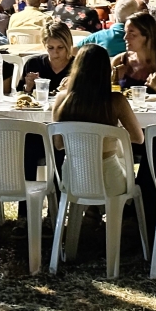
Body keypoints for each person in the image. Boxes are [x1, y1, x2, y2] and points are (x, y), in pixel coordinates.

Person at [51, 43, 144, 196]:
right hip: (108, 179)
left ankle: (91, 212)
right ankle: (116, 215)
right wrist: (112, 136)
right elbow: (138, 138)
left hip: (73, 177)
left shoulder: (62, 99)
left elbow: (59, 144)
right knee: (120, 158)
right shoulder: (115, 101)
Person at [111, 11, 156, 93]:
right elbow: (105, 96)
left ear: (147, 37)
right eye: (125, 33)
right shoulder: (120, 61)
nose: (125, 38)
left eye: (132, 34)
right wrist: (114, 80)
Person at [20, 19, 74, 95]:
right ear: (44, 44)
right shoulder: (34, 64)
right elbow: (19, 96)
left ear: (68, 44)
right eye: (50, 48)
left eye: (60, 47)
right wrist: (28, 87)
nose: (55, 53)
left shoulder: (78, 65)